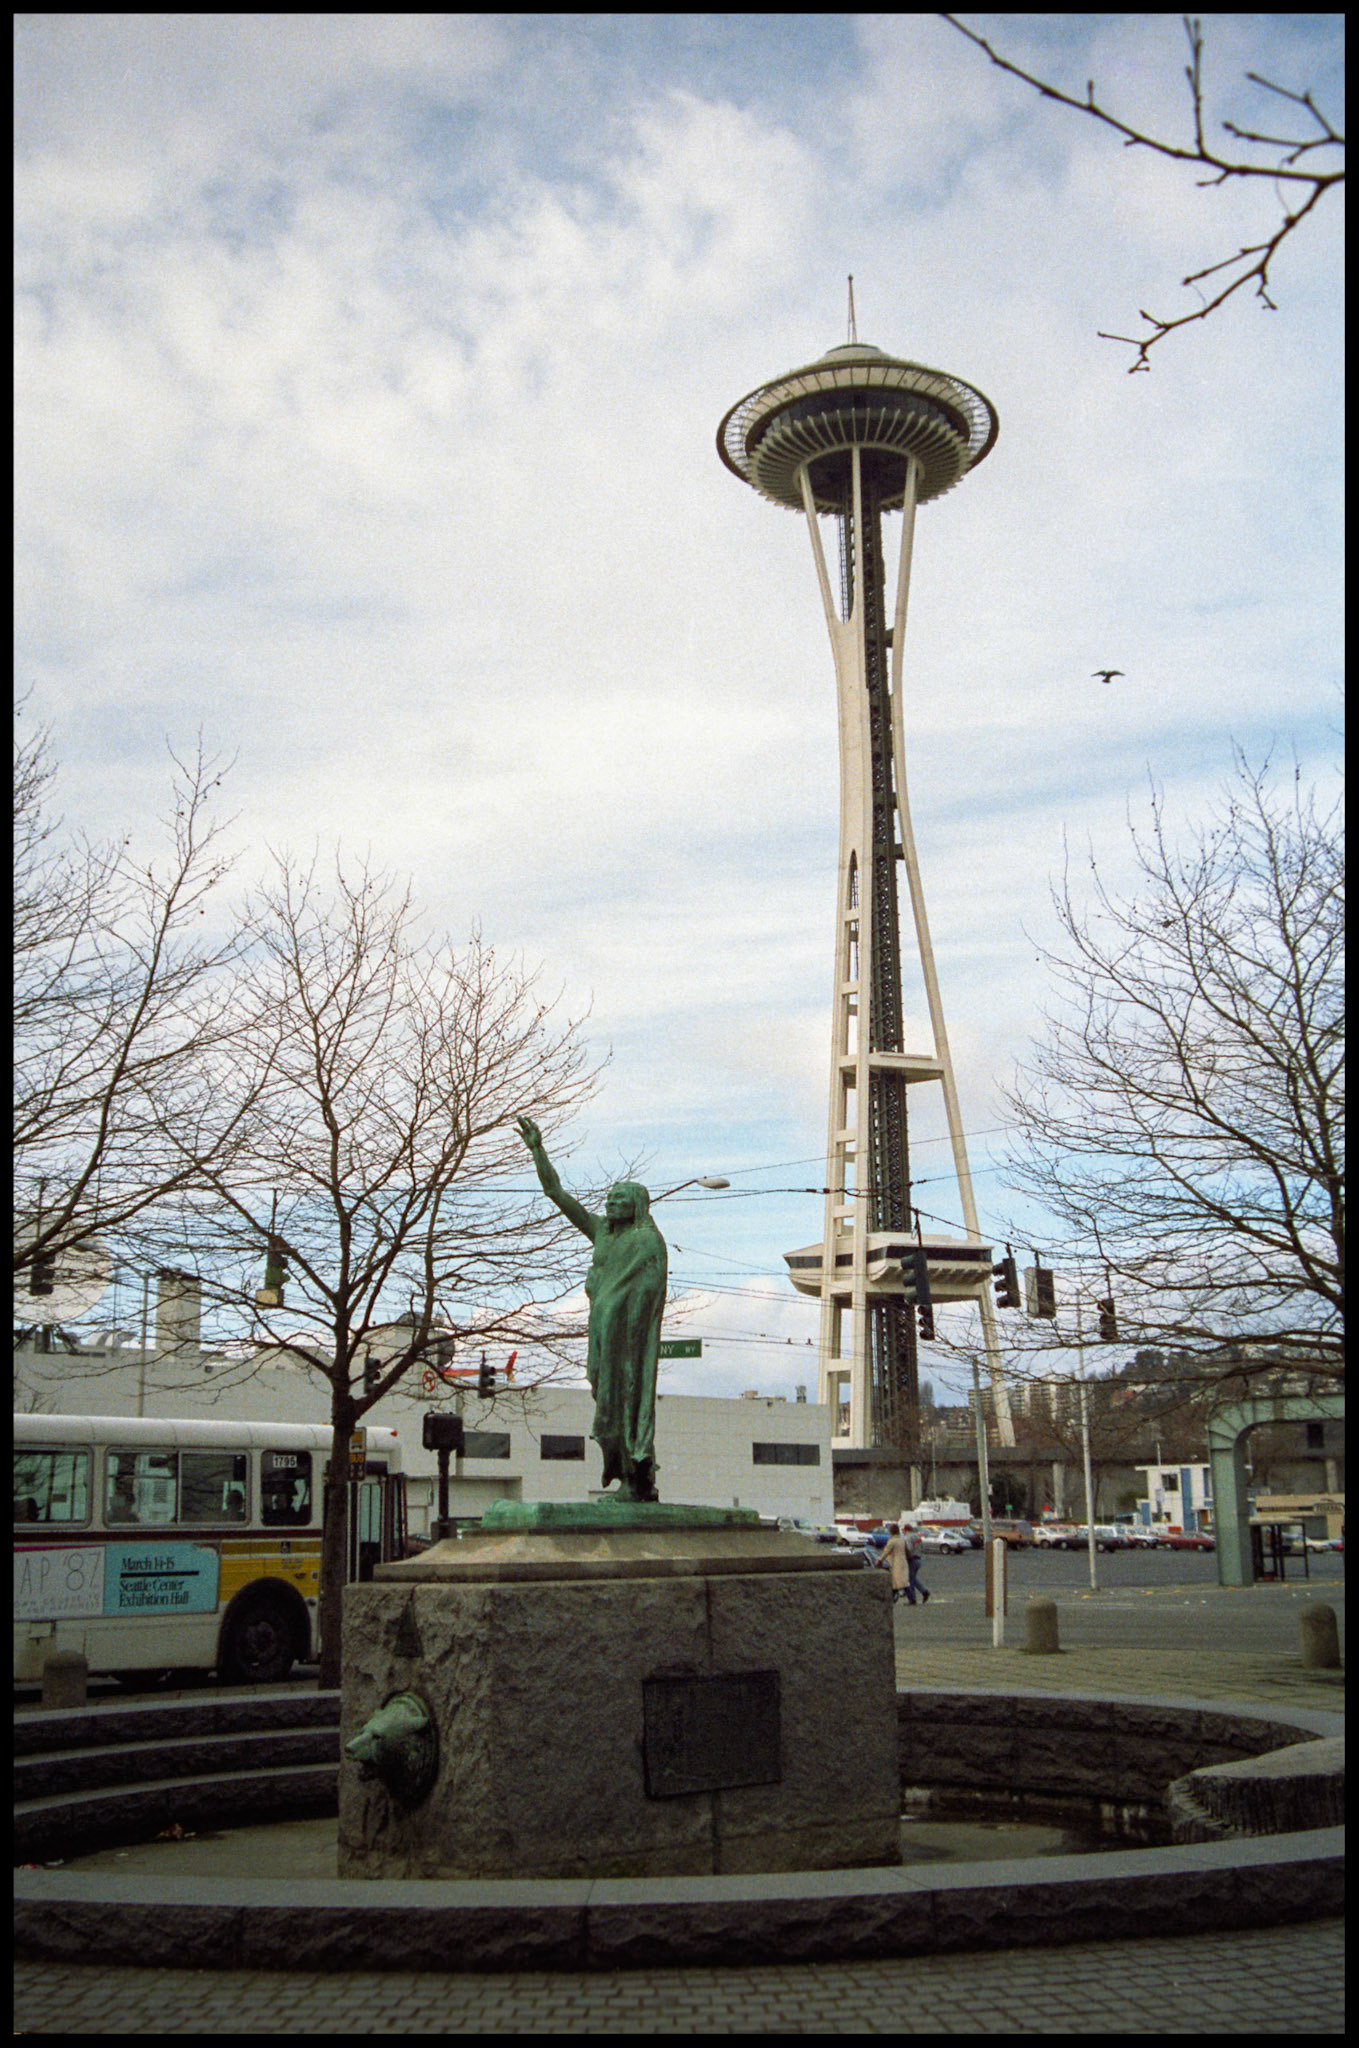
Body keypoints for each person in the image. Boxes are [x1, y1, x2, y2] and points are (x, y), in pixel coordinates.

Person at [517, 1115, 667, 1502]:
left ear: (636, 1205)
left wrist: (620, 1322)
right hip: (601, 1331)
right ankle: (623, 1471)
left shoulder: (648, 1241)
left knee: (628, 1396)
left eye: (620, 1199)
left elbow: (646, 1296)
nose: (612, 1203)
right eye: (610, 1198)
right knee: (603, 1394)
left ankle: (636, 1473)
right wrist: (538, 1150)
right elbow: (557, 1192)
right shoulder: (601, 1230)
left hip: (627, 1341)